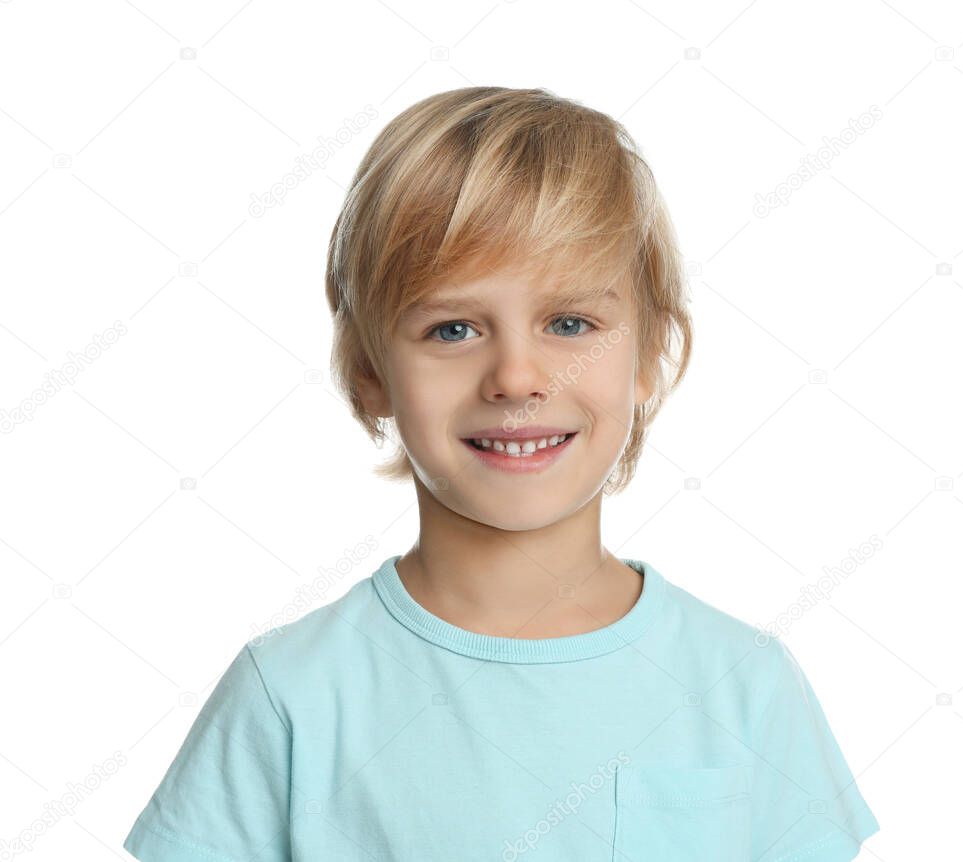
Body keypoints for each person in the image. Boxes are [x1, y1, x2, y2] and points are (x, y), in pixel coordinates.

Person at [123, 85, 880, 861]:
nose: (516, 377)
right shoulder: (290, 699)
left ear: (650, 354)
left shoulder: (742, 686)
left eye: (569, 324)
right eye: (452, 328)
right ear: (368, 371)